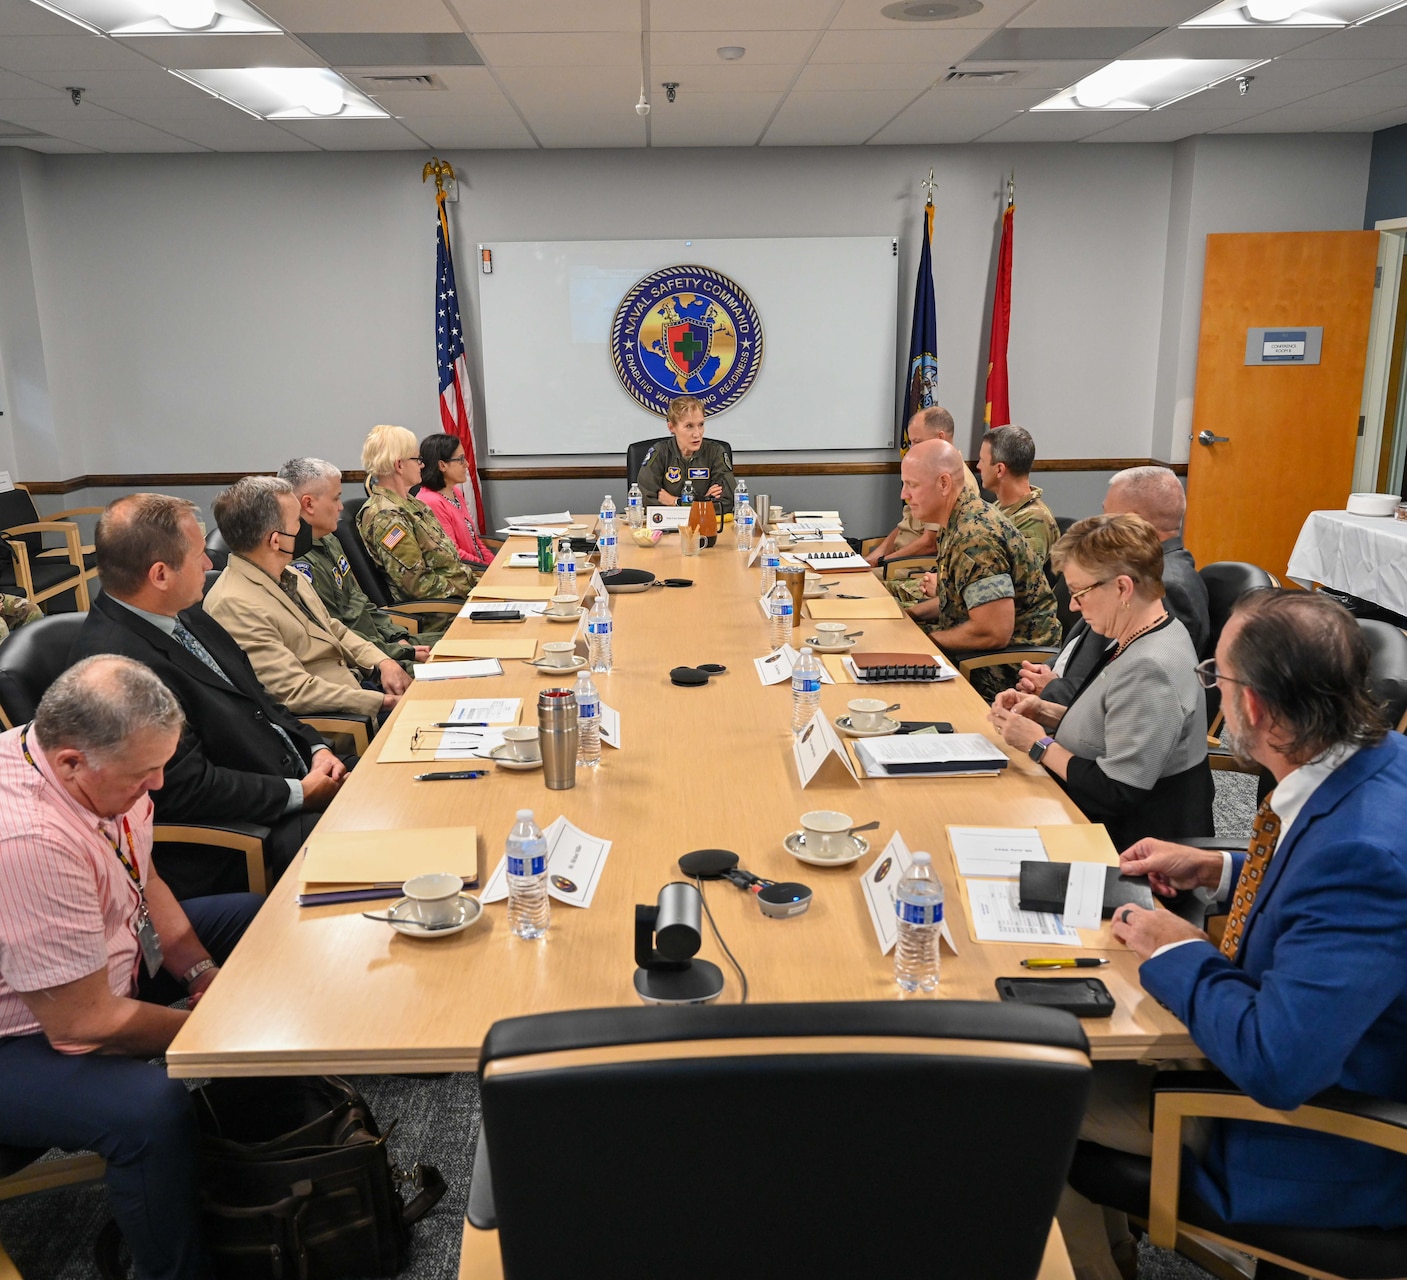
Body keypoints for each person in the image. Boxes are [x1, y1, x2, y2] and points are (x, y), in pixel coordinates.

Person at [1061, 589, 1407, 1280]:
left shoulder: (1361, 856)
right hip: (1316, 1055)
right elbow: (1318, 891)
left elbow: (1275, 1064)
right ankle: (1116, 1256)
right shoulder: (1377, 763)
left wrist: (1175, 949)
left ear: (1249, 705)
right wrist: (1217, 868)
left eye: (1214, 675)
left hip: (1323, 1136)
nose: (1210, 691)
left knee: (1033, 1097)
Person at [0, 656, 261, 1280]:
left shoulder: (90, 767)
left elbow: (139, 872)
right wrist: (224, 1034)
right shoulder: (29, 838)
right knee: (149, 1109)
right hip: (27, 1032)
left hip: (98, 962)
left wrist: (198, 970)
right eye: (144, 775)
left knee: (255, 921)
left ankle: (258, 1133)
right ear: (71, 761)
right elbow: (82, 1024)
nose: (159, 787)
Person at [70, 493, 346, 897]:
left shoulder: (184, 611)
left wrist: (316, 745)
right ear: (160, 575)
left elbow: (260, 700)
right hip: (249, 835)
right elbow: (188, 786)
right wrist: (301, 793)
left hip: (297, 777)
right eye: (199, 553)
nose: (209, 563)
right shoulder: (116, 669)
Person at [989, 514, 1212, 849]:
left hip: (1133, 846)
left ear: (1123, 587)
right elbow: (1116, 726)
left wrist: (1038, 744)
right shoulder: (1150, 630)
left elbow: (1117, 790)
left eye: (1080, 592)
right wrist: (1045, 712)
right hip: (1099, 819)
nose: (1073, 606)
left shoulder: (1150, 667)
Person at [205, 476, 409, 720]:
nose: (304, 528)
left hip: (359, 689)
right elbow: (295, 692)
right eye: (297, 522)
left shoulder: (288, 573)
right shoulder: (234, 603)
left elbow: (333, 629)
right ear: (276, 540)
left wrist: (384, 662)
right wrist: (382, 701)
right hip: (346, 719)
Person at [1019, 464, 1211, 705]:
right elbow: (1086, 653)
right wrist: (1044, 674)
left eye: (1106, 516)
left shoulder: (1165, 586)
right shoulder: (1130, 568)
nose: (1099, 524)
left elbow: (1133, 693)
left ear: (1132, 522)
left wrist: (1051, 689)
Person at [891, 438, 1059, 701]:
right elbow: (958, 599)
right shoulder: (958, 519)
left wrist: (925, 640)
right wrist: (908, 616)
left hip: (1004, 673)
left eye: (911, 485)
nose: (904, 494)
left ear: (944, 484)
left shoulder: (975, 538)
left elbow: (992, 632)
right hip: (976, 655)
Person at [278, 457, 436, 672]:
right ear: (309, 504)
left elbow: (360, 601)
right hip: (368, 663)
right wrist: (398, 652)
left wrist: (396, 637)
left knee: (466, 646)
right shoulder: (299, 563)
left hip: (384, 644)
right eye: (335, 499)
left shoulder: (329, 539)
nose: (341, 506)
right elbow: (338, 633)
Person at [357, 424, 476, 602]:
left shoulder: (412, 503)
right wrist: (469, 591)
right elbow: (417, 583)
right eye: (417, 459)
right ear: (399, 465)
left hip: (460, 595)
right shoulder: (386, 517)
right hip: (443, 611)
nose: (422, 465)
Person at [864, 406, 979, 568]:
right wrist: (873, 558)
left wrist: (884, 562)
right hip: (896, 560)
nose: (912, 448)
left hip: (914, 568)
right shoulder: (928, 472)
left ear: (940, 438)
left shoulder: (953, 481)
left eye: (917, 441)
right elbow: (905, 526)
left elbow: (929, 544)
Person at [635, 395, 736, 512]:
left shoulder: (715, 452)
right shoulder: (660, 453)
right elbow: (646, 501)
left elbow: (727, 502)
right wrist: (705, 501)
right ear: (672, 427)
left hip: (705, 526)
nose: (697, 434)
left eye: (701, 424)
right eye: (689, 426)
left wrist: (675, 502)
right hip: (667, 527)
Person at [977, 424, 1060, 563]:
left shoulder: (1034, 521)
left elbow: (1022, 580)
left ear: (999, 470)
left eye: (982, 460)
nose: (978, 466)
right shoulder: (998, 506)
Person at [416, 432, 494, 569]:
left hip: (478, 569)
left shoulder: (455, 492)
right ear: (442, 465)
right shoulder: (430, 502)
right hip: (464, 575)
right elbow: (453, 553)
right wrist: (487, 569)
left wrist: (495, 565)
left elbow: (475, 541)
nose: (467, 464)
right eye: (461, 459)